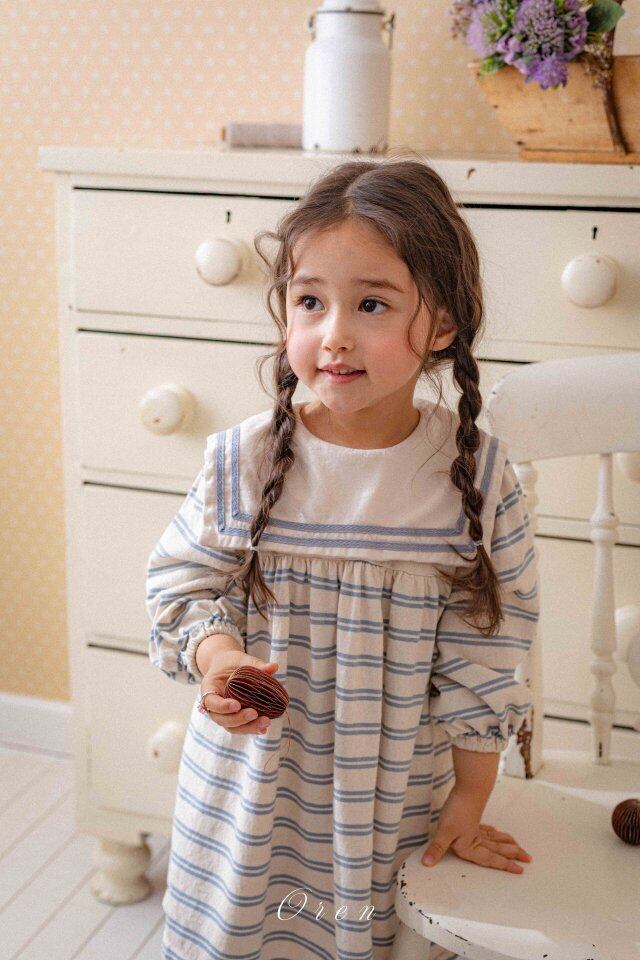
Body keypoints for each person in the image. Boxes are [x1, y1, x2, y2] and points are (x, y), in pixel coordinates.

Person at [145, 155, 539, 960]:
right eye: (310, 301)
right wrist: (220, 659)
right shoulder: (244, 462)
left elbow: (489, 648)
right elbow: (182, 587)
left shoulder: (473, 478)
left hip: (391, 805)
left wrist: (470, 799)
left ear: (442, 324)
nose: (334, 334)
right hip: (249, 800)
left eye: (371, 304)